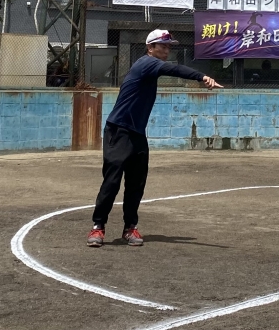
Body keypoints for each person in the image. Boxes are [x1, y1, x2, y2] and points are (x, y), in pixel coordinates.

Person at [86, 29, 223, 247]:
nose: (167, 50)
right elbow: (174, 69)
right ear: (150, 48)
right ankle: (98, 227)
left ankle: (130, 228)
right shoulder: (146, 63)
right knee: (112, 181)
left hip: (137, 134)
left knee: (136, 183)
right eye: (163, 45)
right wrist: (202, 76)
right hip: (119, 131)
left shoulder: (151, 67)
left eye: (169, 46)